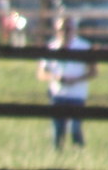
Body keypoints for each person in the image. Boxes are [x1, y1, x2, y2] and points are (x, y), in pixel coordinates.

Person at [37, 15, 96, 151]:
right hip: (58, 94)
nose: (64, 32)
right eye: (61, 29)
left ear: (73, 30)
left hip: (77, 94)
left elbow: (93, 71)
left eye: (67, 29)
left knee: (76, 128)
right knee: (58, 129)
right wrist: (55, 77)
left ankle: (79, 152)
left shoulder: (84, 47)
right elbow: (41, 73)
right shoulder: (51, 47)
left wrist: (76, 79)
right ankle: (58, 154)